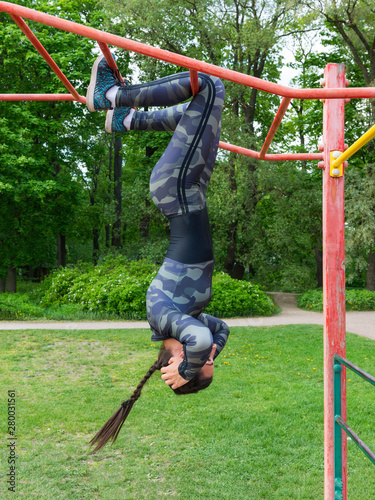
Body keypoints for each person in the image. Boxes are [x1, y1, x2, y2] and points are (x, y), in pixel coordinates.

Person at [86, 55, 230, 452]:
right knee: (198, 110)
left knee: (212, 87)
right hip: (189, 192)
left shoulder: (164, 318)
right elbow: (217, 333)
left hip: (175, 189)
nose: (213, 355)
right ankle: (125, 121)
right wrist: (206, 355)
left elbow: (200, 340)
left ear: (180, 363)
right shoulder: (190, 321)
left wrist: (190, 368)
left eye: (207, 363)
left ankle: (111, 96)